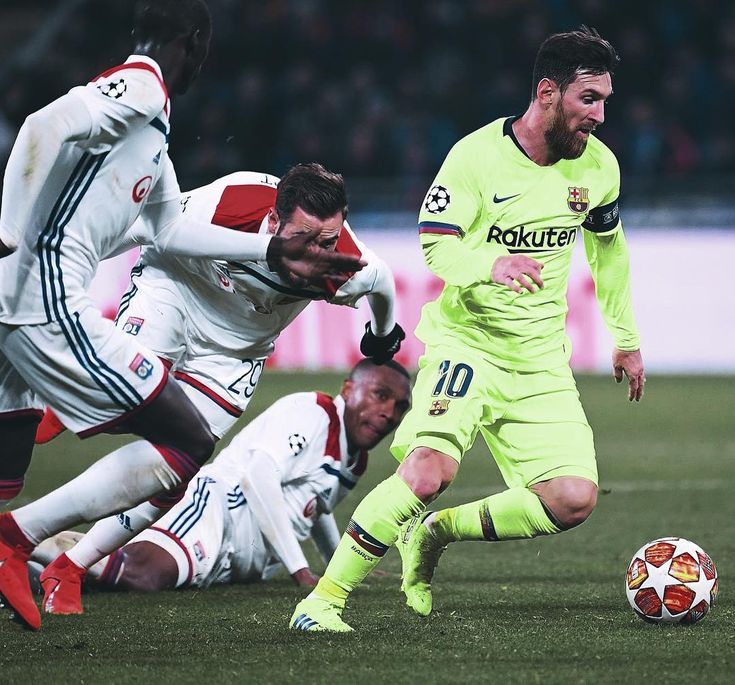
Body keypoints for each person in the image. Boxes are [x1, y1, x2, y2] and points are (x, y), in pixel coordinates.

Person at [0, 0, 362, 631]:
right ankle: (16, 537)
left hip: (43, 299)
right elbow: (39, 126)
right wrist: (8, 232)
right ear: (193, 43)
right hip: (42, 299)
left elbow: (163, 228)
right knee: (188, 439)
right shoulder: (140, 87)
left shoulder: (156, 128)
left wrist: (272, 250)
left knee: (8, 449)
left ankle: (32, 539)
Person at [290, 26, 646, 632]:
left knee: (572, 498)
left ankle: (433, 534)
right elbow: (435, 248)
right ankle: (320, 603)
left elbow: (608, 250)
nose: (600, 115)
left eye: (605, 100)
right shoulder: (476, 157)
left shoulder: (599, 169)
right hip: (469, 346)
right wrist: (493, 264)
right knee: (428, 472)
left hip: (539, 360)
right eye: (589, 99)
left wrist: (626, 337)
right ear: (547, 92)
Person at [27, 162, 405, 616]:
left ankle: (69, 566)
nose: (319, 252)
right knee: (125, 392)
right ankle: (57, 405)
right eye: (306, 239)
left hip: (236, 353)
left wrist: (383, 336)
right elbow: (149, 229)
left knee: (179, 464)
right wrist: (63, 264)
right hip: (176, 289)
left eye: (328, 240)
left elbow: (381, 283)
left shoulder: (344, 265)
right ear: (272, 222)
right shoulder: (231, 201)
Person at [31, 360, 411, 596]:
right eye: (380, 395)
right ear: (349, 389)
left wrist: (335, 565)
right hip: (217, 509)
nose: (389, 413)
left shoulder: (355, 457)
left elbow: (318, 506)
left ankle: (26, 562)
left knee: (119, 582)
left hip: (237, 555)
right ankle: (31, 536)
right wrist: (300, 571)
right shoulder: (313, 412)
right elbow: (257, 478)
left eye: (400, 407)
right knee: (139, 575)